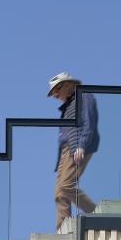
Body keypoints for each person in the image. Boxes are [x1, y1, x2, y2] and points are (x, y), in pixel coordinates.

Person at [48, 72, 99, 230]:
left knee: (65, 186)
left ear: (67, 85)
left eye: (57, 90)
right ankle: (63, 228)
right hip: (65, 151)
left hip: (76, 147)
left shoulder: (84, 97)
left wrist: (82, 145)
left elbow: (89, 123)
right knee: (59, 193)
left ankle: (96, 212)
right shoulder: (67, 106)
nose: (55, 95)